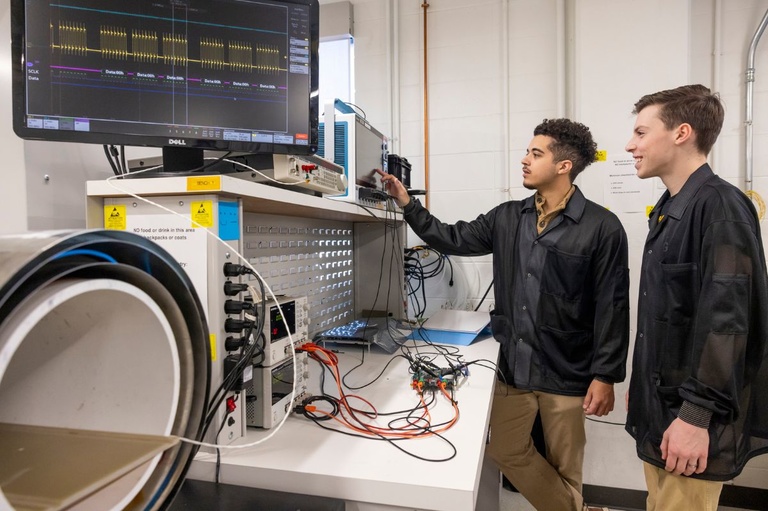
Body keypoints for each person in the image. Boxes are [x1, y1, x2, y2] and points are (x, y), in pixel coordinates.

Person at [378, 118, 630, 511]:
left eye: (536, 153)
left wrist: (606, 375)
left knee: (566, 467)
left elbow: (612, 305)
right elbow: (450, 237)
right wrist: (407, 203)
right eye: (527, 151)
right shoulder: (508, 217)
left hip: (567, 371)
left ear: (564, 166)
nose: (524, 160)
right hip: (514, 367)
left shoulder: (602, 227)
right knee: (505, 450)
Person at [624, 84, 768, 510]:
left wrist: (695, 416)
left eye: (641, 133)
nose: (630, 145)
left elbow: (729, 322)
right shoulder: (672, 208)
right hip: (664, 406)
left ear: (681, 133)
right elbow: (671, 316)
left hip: (690, 418)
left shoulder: (720, 206)